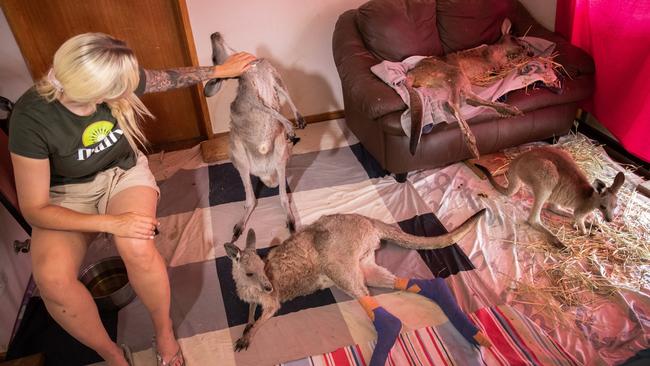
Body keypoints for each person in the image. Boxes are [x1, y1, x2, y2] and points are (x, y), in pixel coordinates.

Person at [8, 32, 256, 366]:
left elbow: (164, 79)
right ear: (90, 90)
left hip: (123, 174)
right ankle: (111, 353)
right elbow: (34, 209)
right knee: (52, 280)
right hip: (65, 192)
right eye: (119, 89)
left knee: (136, 246)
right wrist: (110, 222)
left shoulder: (108, 75)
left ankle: (164, 330)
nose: (130, 91)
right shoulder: (31, 118)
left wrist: (218, 71)